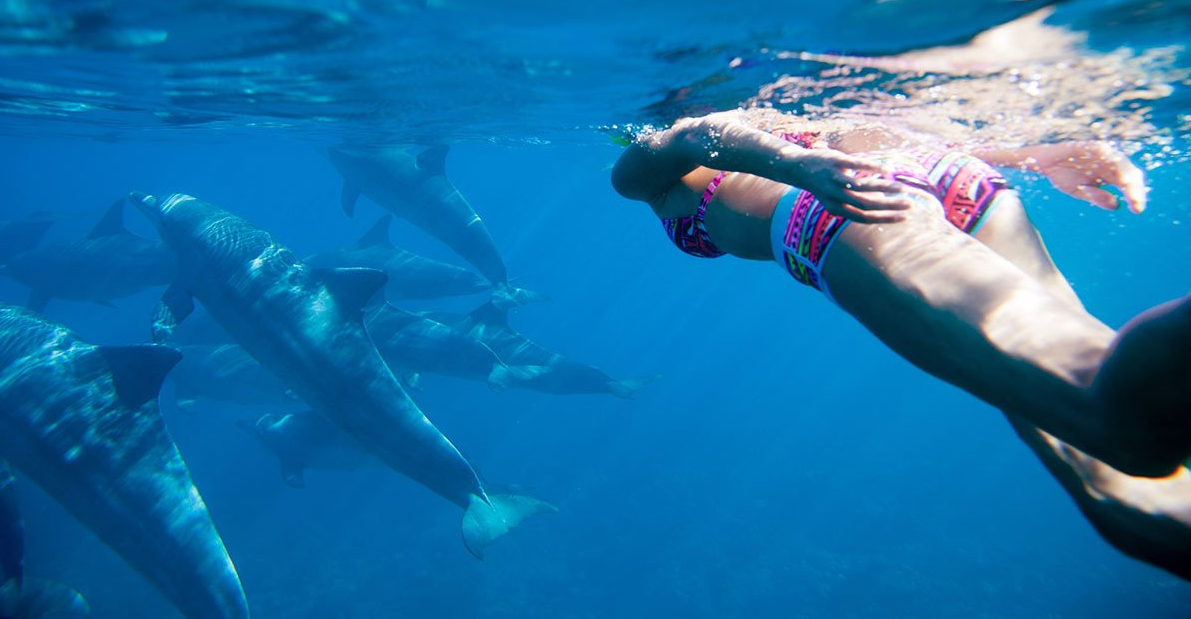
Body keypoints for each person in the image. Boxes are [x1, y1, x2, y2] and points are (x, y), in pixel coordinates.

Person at [611, 109, 1191, 579]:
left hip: (841, 205)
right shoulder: (792, 110)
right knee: (1105, 481)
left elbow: (694, 134)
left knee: (1116, 424)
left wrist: (799, 167)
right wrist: (1036, 156)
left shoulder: (640, 169)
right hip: (941, 172)